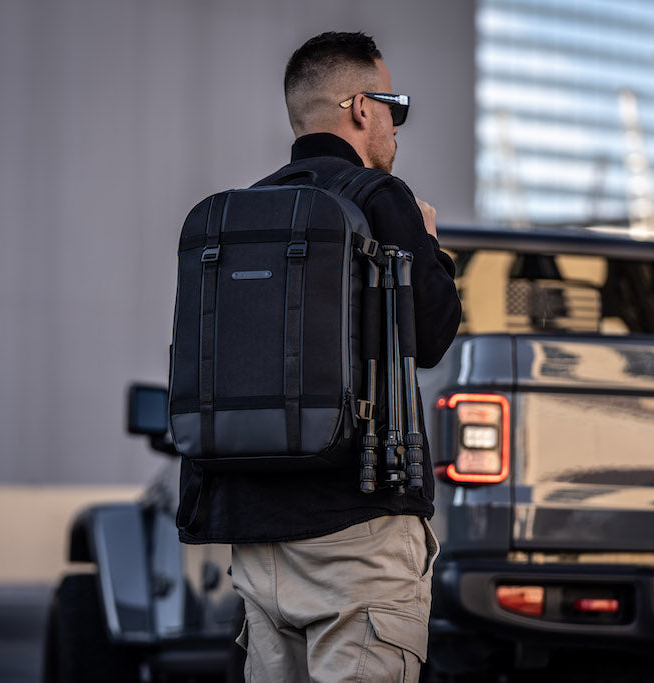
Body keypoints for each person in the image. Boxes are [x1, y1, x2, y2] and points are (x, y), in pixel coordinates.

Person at [175, 31, 461, 683]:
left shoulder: (243, 210)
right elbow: (433, 331)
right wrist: (432, 247)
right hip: (355, 531)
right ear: (361, 107)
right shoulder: (378, 198)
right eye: (395, 106)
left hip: (256, 538)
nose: (395, 124)